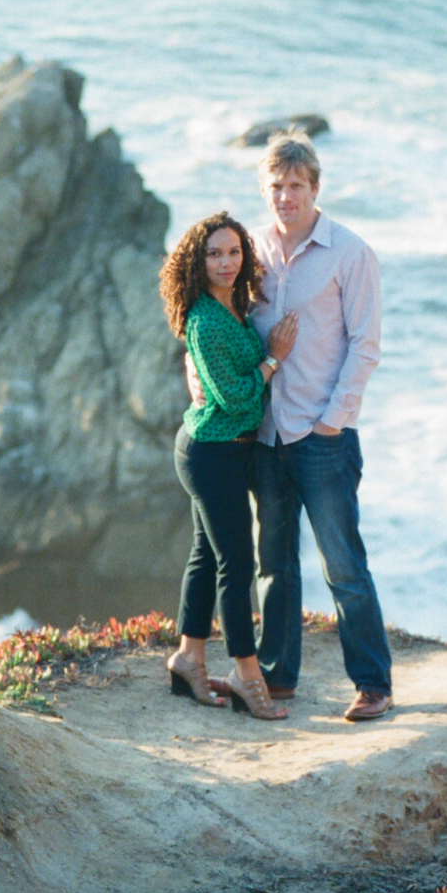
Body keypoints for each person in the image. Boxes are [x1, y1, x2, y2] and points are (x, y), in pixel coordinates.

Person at [245, 136, 394, 722]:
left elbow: (366, 345)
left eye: (297, 186)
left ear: (315, 189)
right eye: (276, 186)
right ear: (265, 190)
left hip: (321, 437)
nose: (286, 197)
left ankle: (373, 684)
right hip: (266, 435)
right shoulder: (250, 250)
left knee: (343, 565)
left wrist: (333, 423)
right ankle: (279, 677)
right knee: (274, 562)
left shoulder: (350, 252)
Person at [158, 211, 299, 719]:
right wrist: (274, 358)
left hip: (224, 449)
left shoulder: (234, 306)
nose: (226, 262)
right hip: (210, 452)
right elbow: (236, 396)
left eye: (234, 252)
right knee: (236, 563)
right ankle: (246, 673)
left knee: (206, 555)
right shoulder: (204, 319)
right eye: (215, 253)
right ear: (198, 260)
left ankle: (189, 658)